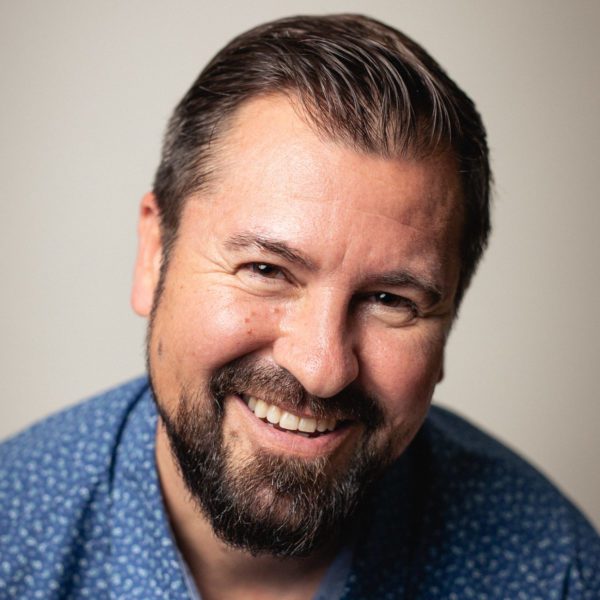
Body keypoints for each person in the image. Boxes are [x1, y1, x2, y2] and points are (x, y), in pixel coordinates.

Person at [1, 13, 598, 600]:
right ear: (155, 254)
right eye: (266, 270)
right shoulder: (13, 535)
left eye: (390, 300)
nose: (321, 368)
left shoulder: (555, 573)